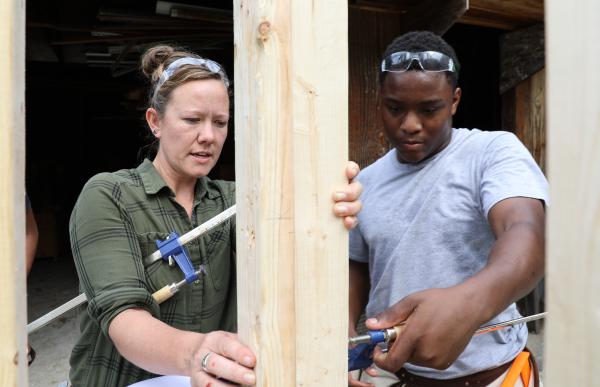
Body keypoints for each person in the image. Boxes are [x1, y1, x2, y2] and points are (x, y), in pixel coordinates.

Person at [68, 45, 362, 387]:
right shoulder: (109, 195)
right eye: (192, 120)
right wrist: (199, 353)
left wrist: (330, 202)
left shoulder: (236, 200)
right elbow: (124, 318)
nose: (208, 136)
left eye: (220, 122)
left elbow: (294, 250)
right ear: (155, 122)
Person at [348, 31, 547, 387]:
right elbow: (357, 268)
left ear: (454, 101)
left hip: (494, 378)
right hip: (391, 377)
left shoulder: (493, 153)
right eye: (395, 108)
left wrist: (468, 303)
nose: (410, 124)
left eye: (429, 109)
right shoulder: (366, 181)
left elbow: (526, 237)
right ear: (379, 101)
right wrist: (342, 344)